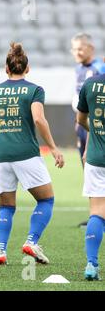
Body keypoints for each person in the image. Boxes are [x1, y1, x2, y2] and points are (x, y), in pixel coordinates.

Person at [0, 43, 64, 265]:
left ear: (6, 68)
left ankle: (0, 251)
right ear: (27, 68)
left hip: (0, 156)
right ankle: (31, 242)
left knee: (6, 207)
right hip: (26, 153)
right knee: (46, 200)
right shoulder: (34, 90)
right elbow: (38, 119)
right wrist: (54, 148)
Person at [70, 33, 105, 228]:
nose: (77, 52)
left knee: (95, 163)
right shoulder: (78, 69)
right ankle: (96, 214)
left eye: (80, 48)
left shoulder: (99, 68)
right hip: (82, 123)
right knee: (89, 168)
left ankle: (99, 214)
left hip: (96, 125)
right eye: (74, 49)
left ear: (90, 48)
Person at [76, 64, 105, 280]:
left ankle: (91, 265)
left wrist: (94, 135)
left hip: (96, 159)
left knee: (97, 213)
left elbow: (80, 120)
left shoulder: (91, 83)